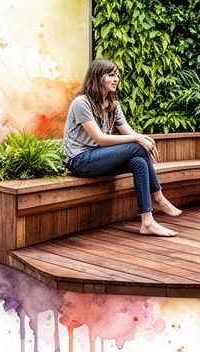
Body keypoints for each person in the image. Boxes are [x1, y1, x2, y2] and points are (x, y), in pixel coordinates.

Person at [62, 58, 181, 237]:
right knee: (137, 147)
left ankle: (147, 222)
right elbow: (101, 139)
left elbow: (128, 131)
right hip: (80, 160)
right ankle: (158, 197)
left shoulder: (113, 105)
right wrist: (139, 140)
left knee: (139, 162)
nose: (116, 79)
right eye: (111, 75)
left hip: (99, 158)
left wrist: (143, 138)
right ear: (97, 77)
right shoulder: (82, 103)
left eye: (117, 75)